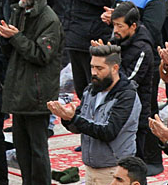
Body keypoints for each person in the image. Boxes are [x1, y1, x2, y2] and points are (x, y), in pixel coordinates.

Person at [0, 0, 63, 185]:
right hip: (19, 90)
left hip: (37, 94)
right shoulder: (19, 12)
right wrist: (5, 38)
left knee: (37, 150)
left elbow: (41, 55)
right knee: (22, 149)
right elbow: (11, 51)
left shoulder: (49, 20)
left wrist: (15, 37)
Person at [50, 44, 141, 185]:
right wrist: (66, 118)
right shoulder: (91, 90)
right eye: (92, 67)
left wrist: (74, 118)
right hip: (90, 169)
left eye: (99, 68)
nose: (93, 72)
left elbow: (108, 132)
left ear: (115, 68)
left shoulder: (127, 96)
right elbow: (78, 127)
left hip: (114, 172)